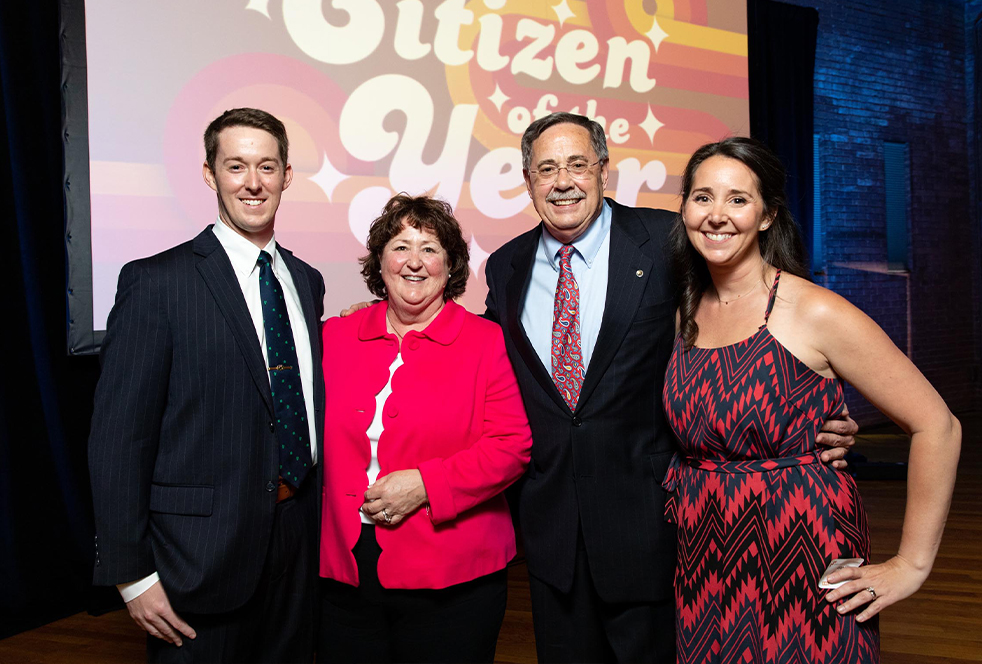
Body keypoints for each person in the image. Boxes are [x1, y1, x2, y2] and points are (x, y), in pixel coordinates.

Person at [343, 113, 857, 662]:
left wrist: (807, 404)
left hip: (650, 521)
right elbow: (476, 349)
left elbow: (757, 307)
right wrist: (383, 318)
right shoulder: (510, 264)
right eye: (546, 168)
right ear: (527, 180)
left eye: (576, 165)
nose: (562, 180)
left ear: (603, 172)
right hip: (552, 533)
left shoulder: (667, 241)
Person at [662, 136, 961, 663]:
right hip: (704, 547)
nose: (717, 215)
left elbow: (938, 425)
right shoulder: (685, 308)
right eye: (702, 197)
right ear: (684, 206)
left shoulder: (815, 311)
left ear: (767, 216)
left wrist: (912, 564)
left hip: (803, 539)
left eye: (738, 199)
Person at [88, 108, 325, 663]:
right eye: (236, 165)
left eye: (267, 167)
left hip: (297, 541)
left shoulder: (306, 281)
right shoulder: (156, 282)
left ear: (287, 176)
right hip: (197, 559)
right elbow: (118, 440)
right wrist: (130, 574)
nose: (253, 182)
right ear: (209, 172)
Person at [317, 193, 532, 663]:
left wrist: (425, 485)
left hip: (453, 576)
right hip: (344, 571)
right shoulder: (335, 335)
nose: (414, 262)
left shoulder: (486, 340)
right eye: (400, 246)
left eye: (430, 248)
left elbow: (511, 445)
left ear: (451, 264)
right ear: (380, 260)